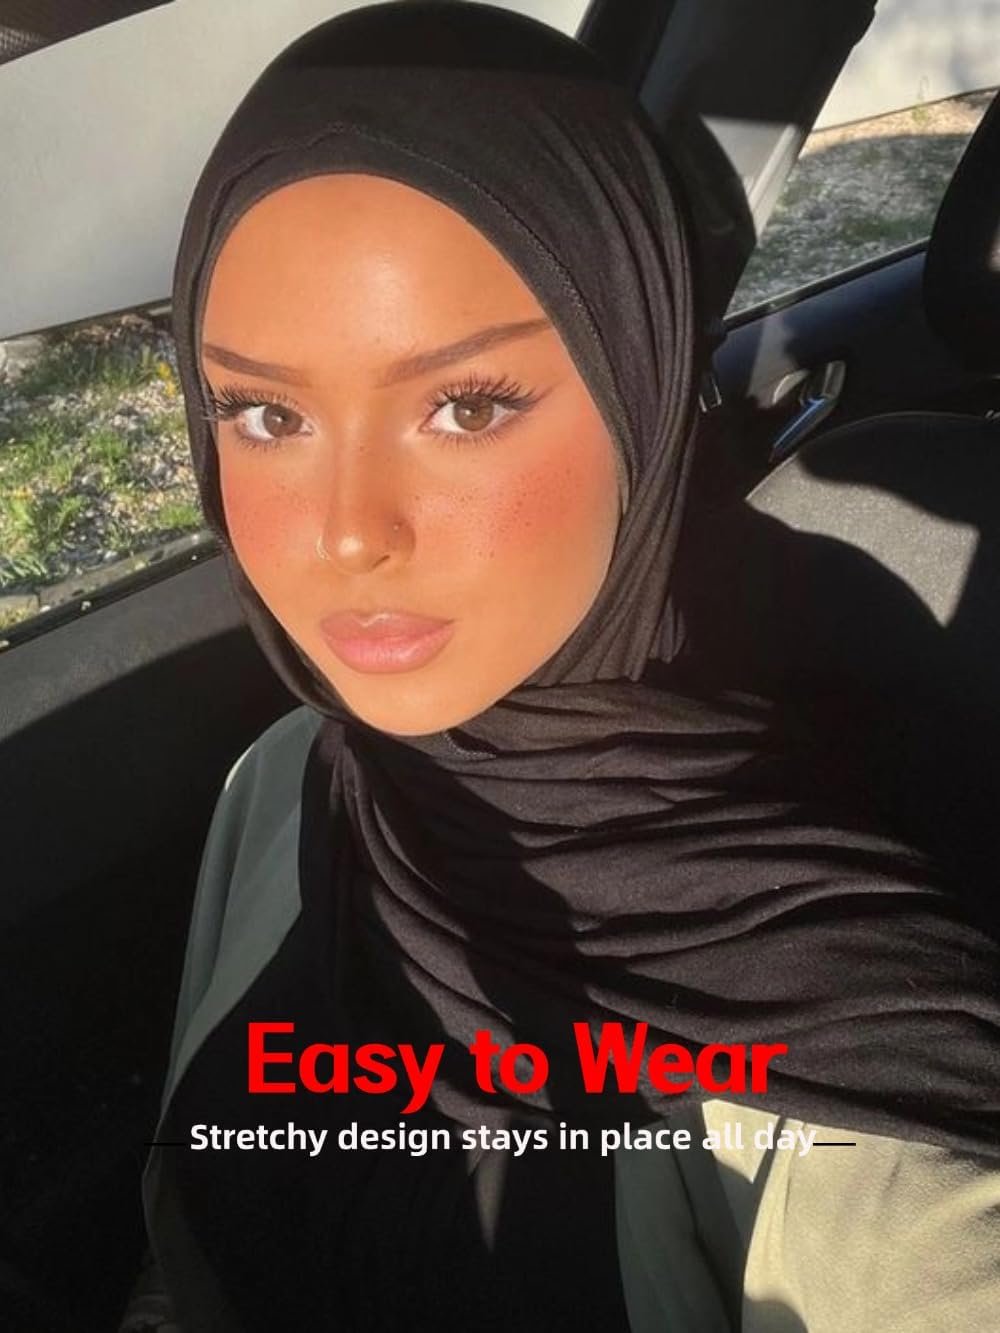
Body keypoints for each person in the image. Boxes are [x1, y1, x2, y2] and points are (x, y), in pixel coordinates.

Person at [135, 4, 1000, 1330]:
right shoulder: (291, 781)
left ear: (643, 399)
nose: (349, 532)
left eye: (465, 406)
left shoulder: (864, 1113)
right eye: (264, 412)